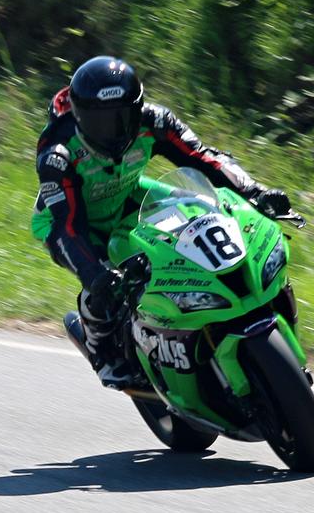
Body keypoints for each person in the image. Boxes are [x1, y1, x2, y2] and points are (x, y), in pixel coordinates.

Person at [31, 56, 291, 388]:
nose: (114, 131)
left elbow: (204, 158)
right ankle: (100, 348)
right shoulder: (58, 153)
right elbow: (67, 226)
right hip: (71, 221)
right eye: (101, 122)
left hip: (128, 195)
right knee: (104, 284)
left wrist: (255, 191)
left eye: (122, 117)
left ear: (137, 107)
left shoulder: (154, 121)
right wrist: (94, 274)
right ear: (80, 118)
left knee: (201, 210)